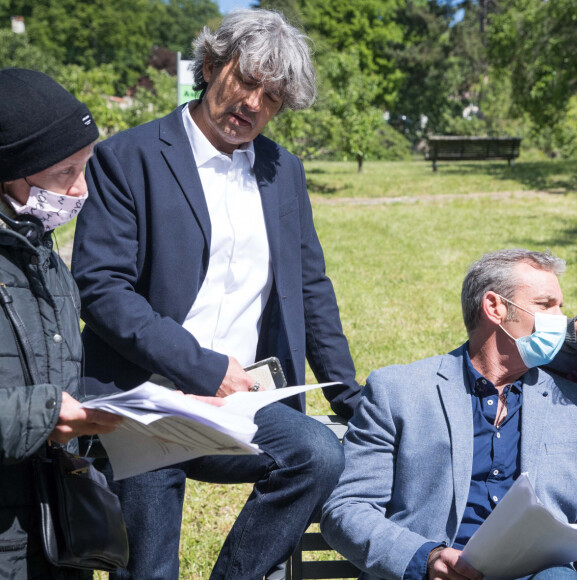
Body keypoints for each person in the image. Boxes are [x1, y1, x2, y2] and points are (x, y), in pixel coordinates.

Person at [71, 9, 361, 580]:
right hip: (145, 400)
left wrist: (351, 398)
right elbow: (101, 289)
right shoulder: (128, 157)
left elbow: (310, 289)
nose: (254, 104)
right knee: (150, 568)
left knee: (319, 455)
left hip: (241, 399)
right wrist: (200, 368)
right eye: (246, 81)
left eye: (272, 96)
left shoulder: (283, 170)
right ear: (209, 66)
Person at [321, 248, 577, 580]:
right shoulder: (399, 391)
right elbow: (347, 510)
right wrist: (425, 559)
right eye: (545, 305)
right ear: (495, 307)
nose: (561, 320)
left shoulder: (570, 404)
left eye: (560, 306)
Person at [0, 68, 123, 579]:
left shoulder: (40, 251)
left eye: (86, 167)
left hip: (51, 528)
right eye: (63, 174)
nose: (81, 190)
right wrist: (43, 414)